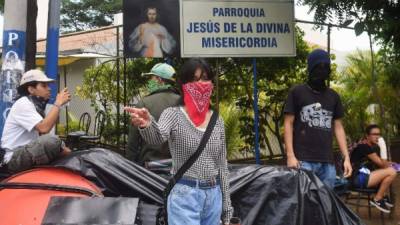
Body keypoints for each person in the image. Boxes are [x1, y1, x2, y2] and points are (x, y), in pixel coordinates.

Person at [125, 58, 232, 225]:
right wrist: (148, 124)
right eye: (195, 79)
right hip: (184, 193)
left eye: (205, 78)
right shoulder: (173, 114)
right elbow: (157, 137)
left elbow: (222, 166)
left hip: (213, 196)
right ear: (184, 84)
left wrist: (227, 210)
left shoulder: (217, 121)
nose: (201, 84)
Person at [284, 49, 352, 189]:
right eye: (318, 66)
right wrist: (290, 155)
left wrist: (346, 158)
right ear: (310, 68)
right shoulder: (297, 92)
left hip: (327, 162)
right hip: (303, 160)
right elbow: (288, 123)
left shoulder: (334, 96)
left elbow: (338, 127)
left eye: (325, 66)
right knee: (305, 205)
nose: (322, 70)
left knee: (326, 205)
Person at [0, 69, 71, 174]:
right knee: (52, 141)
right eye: (44, 86)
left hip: (22, 153)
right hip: (12, 159)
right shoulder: (23, 104)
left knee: (58, 144)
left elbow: (42, 131)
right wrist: (58, 103)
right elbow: (44, 128)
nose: (49, 89)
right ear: (31, 89)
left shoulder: (33, 105)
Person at [127, 63, 180, 164]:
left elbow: (132, 144)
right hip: (179, 169)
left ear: (159, 80)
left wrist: (130, 169)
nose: (149, 81)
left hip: (150, 170)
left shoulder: (144, 104)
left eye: (151, 78)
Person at [350, 124, 397, 213]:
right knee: (392, 172)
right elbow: (383, 165)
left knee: (389, 170)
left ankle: (382, 195)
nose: (378, 137)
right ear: (367, 136)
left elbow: (381, 163)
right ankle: (378, 199)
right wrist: (383, 146)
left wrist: (392, 164)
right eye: (374, 134)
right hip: (357, 179)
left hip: (359, 176)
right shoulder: (364, 147)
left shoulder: (364, 145)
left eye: (379, 134)